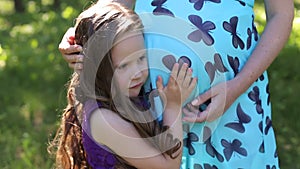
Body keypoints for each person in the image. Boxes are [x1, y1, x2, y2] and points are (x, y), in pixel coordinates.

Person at [58, 0, 294, 168]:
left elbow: (281, 13)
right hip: (156, 106)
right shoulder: (107, 116)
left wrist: (238, 86)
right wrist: (83, 35)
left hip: (237, 106)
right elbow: (115, 6)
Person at [48, 2, 197, 169]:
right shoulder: (105, 120)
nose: (138, 73)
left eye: (141, 58)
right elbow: (168, 166)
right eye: (124, 66)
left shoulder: (121, 98)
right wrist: (173, 106)